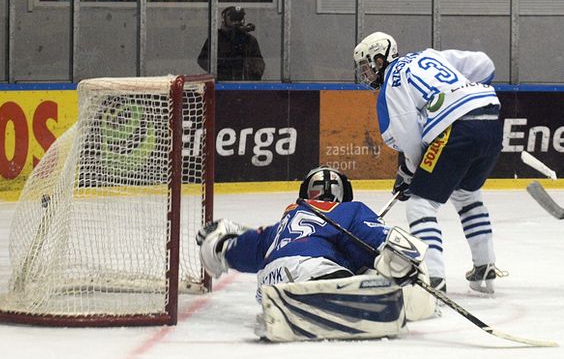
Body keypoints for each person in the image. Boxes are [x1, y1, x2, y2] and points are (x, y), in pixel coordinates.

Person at [196, 166, 436, 342]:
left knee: (360, 265)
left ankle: (289, 306)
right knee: (375, 273)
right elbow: (376, 239)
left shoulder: (277, 228)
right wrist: (401, 262)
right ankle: (323, 305)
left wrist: (219, 243)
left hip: (270, 283)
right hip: (316, 270)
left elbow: (233, 250)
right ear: (344, 194)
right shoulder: (350, 211)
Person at [353, 31, 508, 294]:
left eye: (366, 66)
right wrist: (461, 91)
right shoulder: (429, 55)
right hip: (491, 118)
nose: (365, 73)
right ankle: (485, 266)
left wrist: (411, 171)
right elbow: (484, 64)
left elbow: (406, 133)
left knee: (420, 205)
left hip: (457, 128)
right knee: (467, 195)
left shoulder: (393, 80)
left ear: (380, 60)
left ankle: (433, 278)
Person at [197, 6, 265, 81]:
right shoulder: (216, 39)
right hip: (221, 83)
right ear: (224, 20)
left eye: (239, 19)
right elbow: (202, 59)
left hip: (244, 83)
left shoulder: (249, 40)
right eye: (233, 19)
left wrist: (249, 66)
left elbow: (259, 64)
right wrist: (222, 65)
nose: (236, 22)